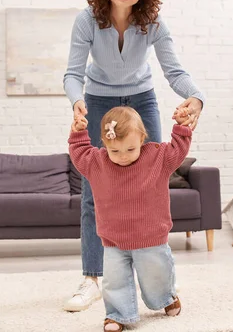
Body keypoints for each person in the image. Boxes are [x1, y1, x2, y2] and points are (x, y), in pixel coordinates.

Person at [62, 0, 205, 312]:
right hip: (97, 101)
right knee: (95, 189)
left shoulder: (153, 22)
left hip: (142, 100)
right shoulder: (87, 20)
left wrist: (196, 98)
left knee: (151, 181)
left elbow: (174, 72)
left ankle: (154, 271)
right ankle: (93, 277)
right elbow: (73, 73)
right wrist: (77, 101)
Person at [68, 106, 191, 332]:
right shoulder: (98, 162)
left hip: (151, 237)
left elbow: (177, 150)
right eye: (114, 151)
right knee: (114, 281)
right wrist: (77, 133)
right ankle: (117, 315)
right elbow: (80, 153)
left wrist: (182, 127)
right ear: (105, 144)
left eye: (130, 149)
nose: (123, 156)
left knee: (157, 275)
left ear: (143, 139)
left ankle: (166, 297)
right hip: (113, 239)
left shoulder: (157, 157)